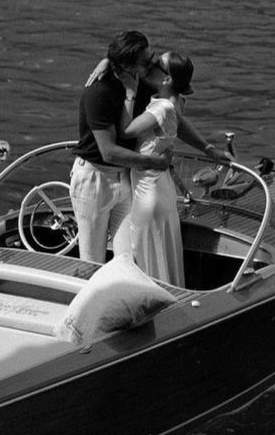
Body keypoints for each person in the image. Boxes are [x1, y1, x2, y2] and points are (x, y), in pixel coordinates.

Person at [70, 31, 172, 264]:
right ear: (126, 67)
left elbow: (168, 111)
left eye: (152, 57)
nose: (152, 64)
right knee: (92, 260)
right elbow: (109, 151)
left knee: (127, 257)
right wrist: (157, 162)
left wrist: (207, 148)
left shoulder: (141, 85)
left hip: (126, 178)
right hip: (94, 181)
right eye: (146, 62)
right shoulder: (98, 92)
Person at [120, 51, 196, 286]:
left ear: (166, 79)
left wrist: (130, 92)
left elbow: (127, 131)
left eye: (156, 65)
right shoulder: (171, 102)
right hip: (157, 184)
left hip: (149, 191)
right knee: (159, 250)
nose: (149, 66)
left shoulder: (162, 108)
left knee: (145, 251)